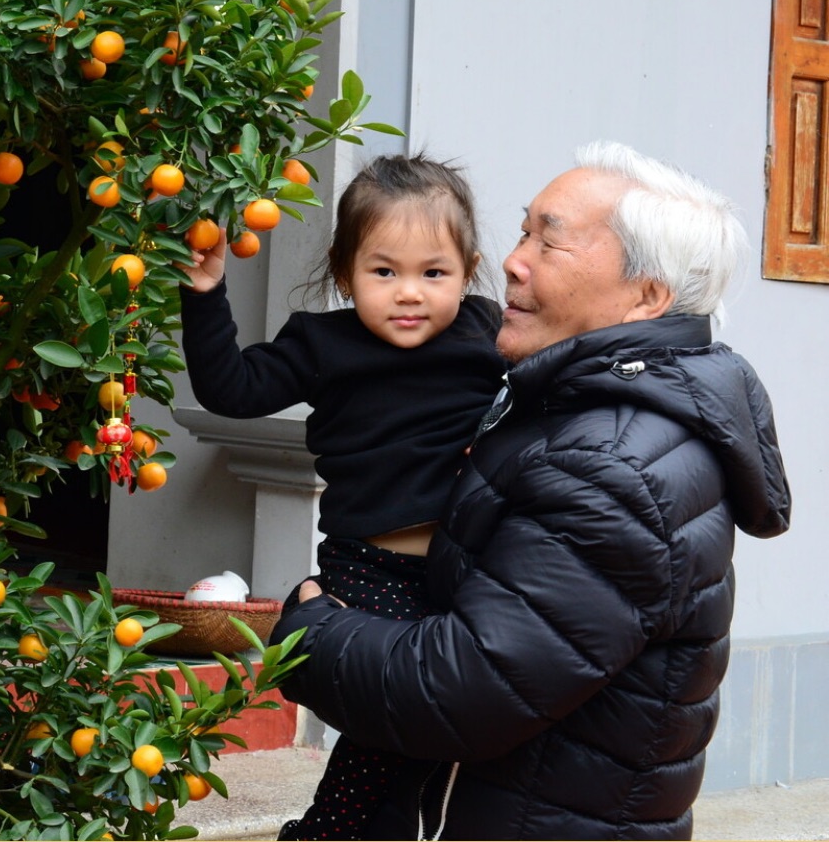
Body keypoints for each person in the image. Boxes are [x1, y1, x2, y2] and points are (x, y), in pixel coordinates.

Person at [271, 141, 791, 840]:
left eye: (550, 242)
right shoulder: (568, 410)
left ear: (646, 296)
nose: (513, 261)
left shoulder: (613, 466)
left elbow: (463, 691)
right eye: (523, 232)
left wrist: (311, 631)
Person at [179, 153, 508, 840]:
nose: (409, 293)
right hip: (370, 569)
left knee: (444, 730)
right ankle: (325, 830)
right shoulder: (323, 344)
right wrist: (206, 292)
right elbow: (231, 389)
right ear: (344, 272)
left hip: (470, 568)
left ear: (468, 271)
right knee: (389, 717)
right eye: (384, 272)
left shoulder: (485, 332)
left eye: (434, 273)